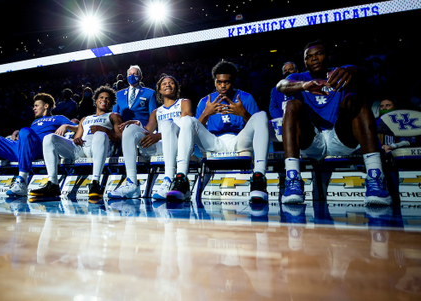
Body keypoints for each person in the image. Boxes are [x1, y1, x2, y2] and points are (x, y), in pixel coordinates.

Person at [277, 40, 391, 205]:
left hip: (340, 136)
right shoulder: (299, 77)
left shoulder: (340, 73)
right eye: (309, 57)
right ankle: (293, 180)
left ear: (328, 56)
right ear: (305, 62)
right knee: (291, 104)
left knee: (354, 98)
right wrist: (304, 85)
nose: (314, 59)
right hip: (313, 140)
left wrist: (351, 70)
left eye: (318, 54)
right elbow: (281, 85)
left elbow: (364, 72)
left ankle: (375, 178)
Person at [175, 60, 271, 203]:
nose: (223, 85)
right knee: (188, 120)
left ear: (233, 81)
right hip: (214, 142)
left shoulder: (245, 98)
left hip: (239, 141)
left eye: (227, 82)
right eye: (219, 82)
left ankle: (259, 179)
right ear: (214, 82)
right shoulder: (205, 101)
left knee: (261, 115)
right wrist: (206, 114)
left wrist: (243, 113)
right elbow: (194, 130)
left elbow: (259, 127)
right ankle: (181, 179)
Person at [0, 93, 78, 196]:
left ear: (46, 106)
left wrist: (66, 125)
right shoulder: (34, 122)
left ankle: (22, 182)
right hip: (21, 148)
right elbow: (26, 134)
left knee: (25, 131)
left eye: (36, 105)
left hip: (39, 148)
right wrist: (18, 133)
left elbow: (78, 127)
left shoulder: (58, 118)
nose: (33, 108)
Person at [107, 75, 193, 200]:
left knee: (168, 124)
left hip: (179, 145)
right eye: (164, 83)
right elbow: (147, 131)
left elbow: (187, 128)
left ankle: (168, 180)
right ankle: (131, 183)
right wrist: (137, 125)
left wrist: (159, 135)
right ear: (159, 90)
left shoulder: (184, 103)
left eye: (171, 83)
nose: (167, 85)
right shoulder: (156, 112)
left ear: (177, 88)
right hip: (161, 146)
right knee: (130, 129)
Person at [33, 86, 123, 199]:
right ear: (96, 101)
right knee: (49, 137)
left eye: (108, 98)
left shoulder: (113, 116)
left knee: (100, 134)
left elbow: (121, 137)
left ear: (111, 103)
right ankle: (53, 184)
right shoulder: (85, 119)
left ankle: (95, 182)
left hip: (98, 149)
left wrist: (105, 130)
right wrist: (76, 139)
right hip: (81, 148)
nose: (104, 100)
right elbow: (77, 137)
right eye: (101, 97)